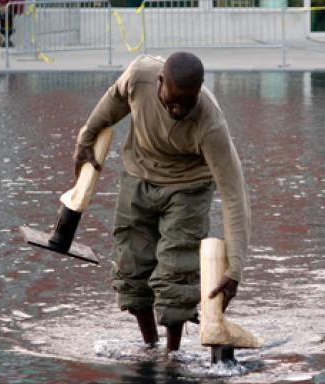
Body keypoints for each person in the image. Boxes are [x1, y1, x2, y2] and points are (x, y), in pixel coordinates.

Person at [75, 53, 251, 357]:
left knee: (176, 272)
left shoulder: (211, 125)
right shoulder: (140, 75)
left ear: (199, 91)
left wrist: (235, 268)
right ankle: (150, 345)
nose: (178, 110)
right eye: (171, 101)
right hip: (138, 174)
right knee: (131, 267)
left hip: (188, 188)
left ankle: (172, 354)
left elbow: (235, 195)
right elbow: (114, 101)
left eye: (186, 102)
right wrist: (85, 139)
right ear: (159, 83)